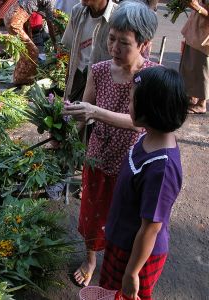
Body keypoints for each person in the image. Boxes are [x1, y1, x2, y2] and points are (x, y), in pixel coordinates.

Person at [62, 0, 157, 287]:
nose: (114, 48)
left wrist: (95, 113)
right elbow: (85, 108)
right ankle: (91, 258)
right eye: (111, 39)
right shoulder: (100, 69)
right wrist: (63, 128)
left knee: (125, 218)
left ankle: (121, 262)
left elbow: (141, 121)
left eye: (124, 43)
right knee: (92, 213)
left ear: (144, 44)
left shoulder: (150, 76)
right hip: (98, 155)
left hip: (132, 163)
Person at [100, 66, 189, 299]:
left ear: (150, 110)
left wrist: (131, 273)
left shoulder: (162, 168)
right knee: (110, 291)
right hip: (123, 239)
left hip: (136, 255)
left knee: (123, 294)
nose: (127, 105)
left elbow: (151, 228)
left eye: (131, 100)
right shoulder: (147, 135)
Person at [62, 0, 117, 102]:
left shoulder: (117, 16)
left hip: (104, 84)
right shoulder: (77, 11)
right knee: (72, 115)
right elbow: (72, 49)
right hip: (77, 77)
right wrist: (68, 80)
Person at [3, 0, 57, 85]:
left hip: (11, 16)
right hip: (14, 23)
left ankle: (19, 78)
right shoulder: (51, 1)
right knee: (33, 51)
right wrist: (55, 43)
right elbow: (51, 23)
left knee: (25, 51)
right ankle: (24, 80)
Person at [179, 0, 209, 114]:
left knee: (202, 68)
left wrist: (197, 7)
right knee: (190, 64)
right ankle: (192, 96)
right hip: (195, 30)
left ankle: (202, 104)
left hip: (204, 34)